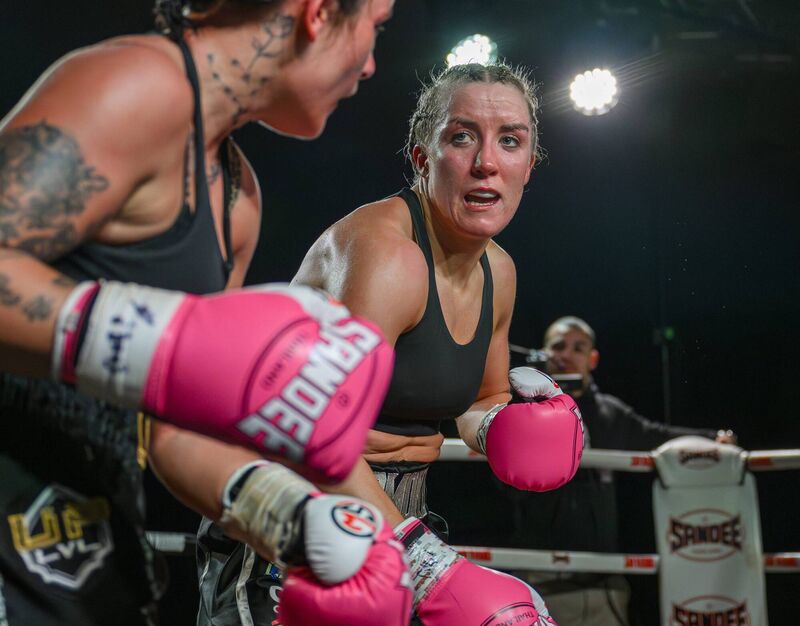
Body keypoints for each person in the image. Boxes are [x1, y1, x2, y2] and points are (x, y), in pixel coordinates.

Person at [0, 1, 411, 625]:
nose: (371, 63)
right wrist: (166, 341)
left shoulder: (237, 196)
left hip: (84, 552)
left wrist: (294, 519)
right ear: (320, 12)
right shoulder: (138, 84)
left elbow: (176, 430)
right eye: (374, 27)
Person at [196, 62, 585, 626]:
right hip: (294, 511)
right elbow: (314, 433)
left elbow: (481, 398)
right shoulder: (385, 256)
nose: (486, 163)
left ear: (530, 165)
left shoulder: (499, 272)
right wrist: (430, 568)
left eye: (510, 141)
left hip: (397, 518)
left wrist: (514, 423)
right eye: (461, 137)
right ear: (422, 158)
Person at [501, 315, 736, 626]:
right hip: (540, 577)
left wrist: (714, 439)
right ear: (543, 353)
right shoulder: (521, 410)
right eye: (558, 345)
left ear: (592, 358)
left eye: (578, 347)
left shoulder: (610, 413)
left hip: (603, 580)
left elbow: (655, 434)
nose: (566, 354)